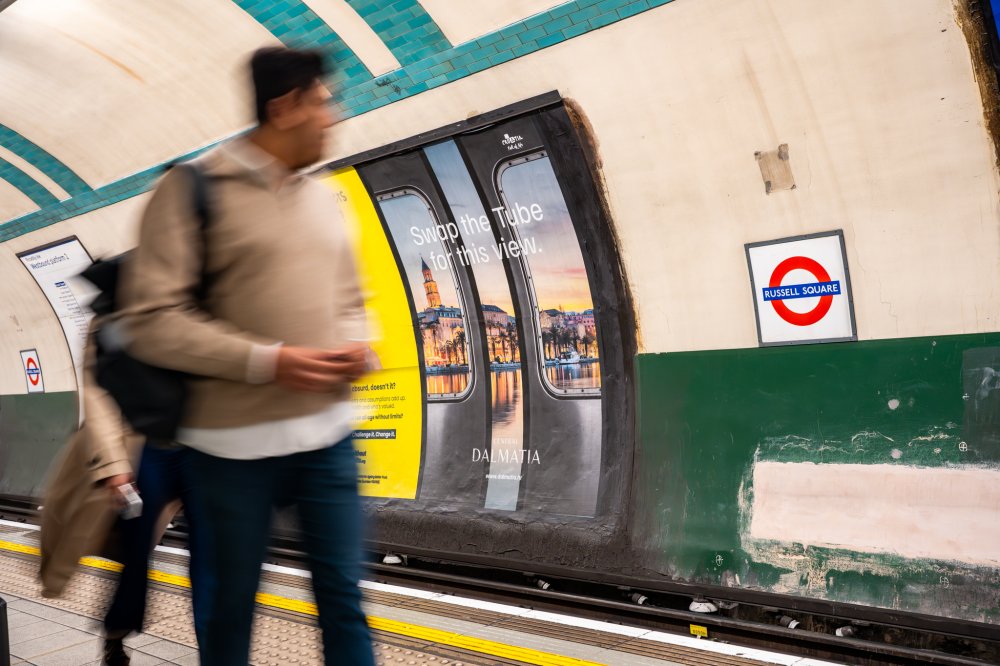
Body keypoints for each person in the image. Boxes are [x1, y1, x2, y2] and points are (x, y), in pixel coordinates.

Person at [119, 47, 374, 666]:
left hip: (328, 438)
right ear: (284, 107)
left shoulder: (323, 197)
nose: (333, 117)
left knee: (344, 598)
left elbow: (351, 298)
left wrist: (358, 340)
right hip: (230, 450)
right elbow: (151, 322)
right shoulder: (192, 190)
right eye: (322, 103)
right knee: (229, 609)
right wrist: (267, 361)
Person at [39, 320, 182, 666]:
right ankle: (116, 636)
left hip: (188, 446)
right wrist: (115, 465)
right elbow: (98, 390)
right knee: (135, 551)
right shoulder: (113, 310)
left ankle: (120, 633)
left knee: (209, 556)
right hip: (131, 450)